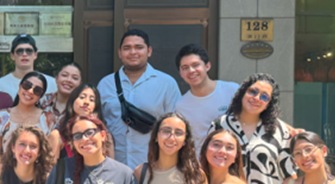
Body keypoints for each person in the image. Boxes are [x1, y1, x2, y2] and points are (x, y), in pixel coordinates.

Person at [98, 29, 181, 168]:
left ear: (149, 51)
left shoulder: (166, 83)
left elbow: (175, 126)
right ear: (120, 53)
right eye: (127, 48)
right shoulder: (105, 84)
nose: (133, 52)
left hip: (153, 167)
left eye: (139, 47)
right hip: (113, 167)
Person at [0, 71, 59, 164]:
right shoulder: (0, 117)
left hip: (38, 171)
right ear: (19, 87)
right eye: (27, 85)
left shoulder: (48, 119)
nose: (30, 91)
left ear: (40, 96)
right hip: (6, 170)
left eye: (37, 90)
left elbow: (50, 156)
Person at [174, 44, 239, 145]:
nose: (191, 70)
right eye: (185, 67)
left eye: (195, 65)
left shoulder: (232, 90)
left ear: (207, 66)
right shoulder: (181, 106)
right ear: (181, 74)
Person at [57, 83, 114, 160]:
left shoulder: (105, 135)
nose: (86, 102)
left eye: (92, 100)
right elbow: (50, 166)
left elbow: (111, 165)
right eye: (82, 97)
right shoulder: (58, 135)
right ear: (72, 101)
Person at [0, 34, 54, 99]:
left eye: (29, 51)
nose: (24, 54)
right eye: (20, 51)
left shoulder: (51, 83)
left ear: (35, 55)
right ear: (12, 56)